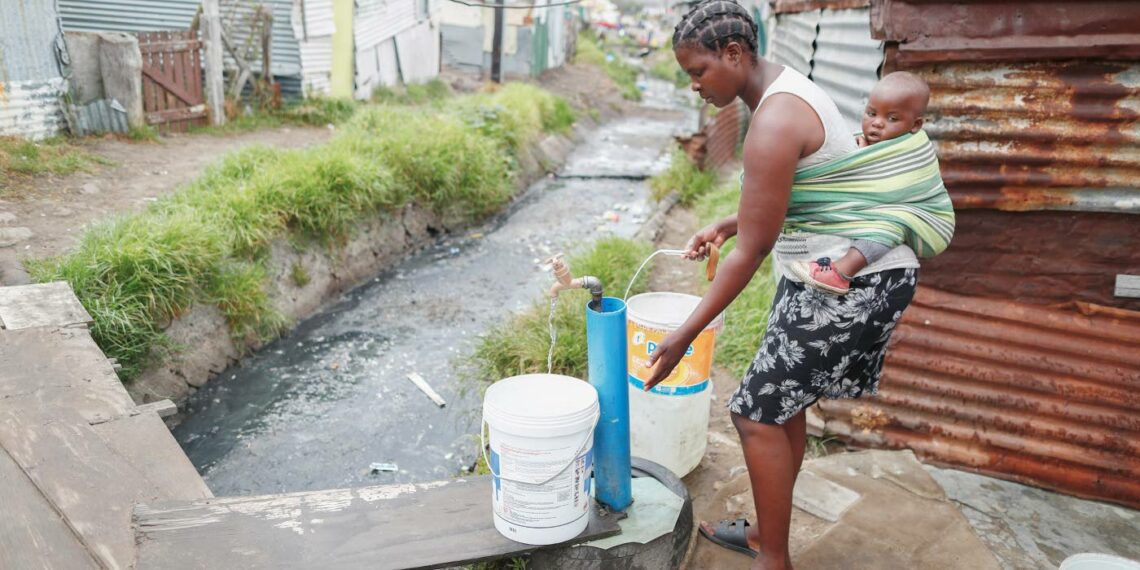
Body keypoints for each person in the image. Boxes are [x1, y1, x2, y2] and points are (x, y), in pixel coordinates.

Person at [645, 2, 921, 568]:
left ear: (733, 54)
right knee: (779, 406)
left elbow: (753, 248)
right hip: (828, 271)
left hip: (854, 279)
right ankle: (767, 537)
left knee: (753, 413)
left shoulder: (773, 119)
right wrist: (729, 221)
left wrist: (685, 335)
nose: (695, 87)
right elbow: (790, 199)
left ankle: (774, 559)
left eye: (698, 72)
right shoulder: (783, 92)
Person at [788, 71, 942, 295]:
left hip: (915, 218)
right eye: (871, 113)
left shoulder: (912, 150)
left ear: (915, 125)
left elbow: (895, 188)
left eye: (892, 118)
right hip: (880, 211)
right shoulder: (858, 140)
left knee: (883, 229)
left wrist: (862, 163)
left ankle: (841, 273)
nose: (877, 124)